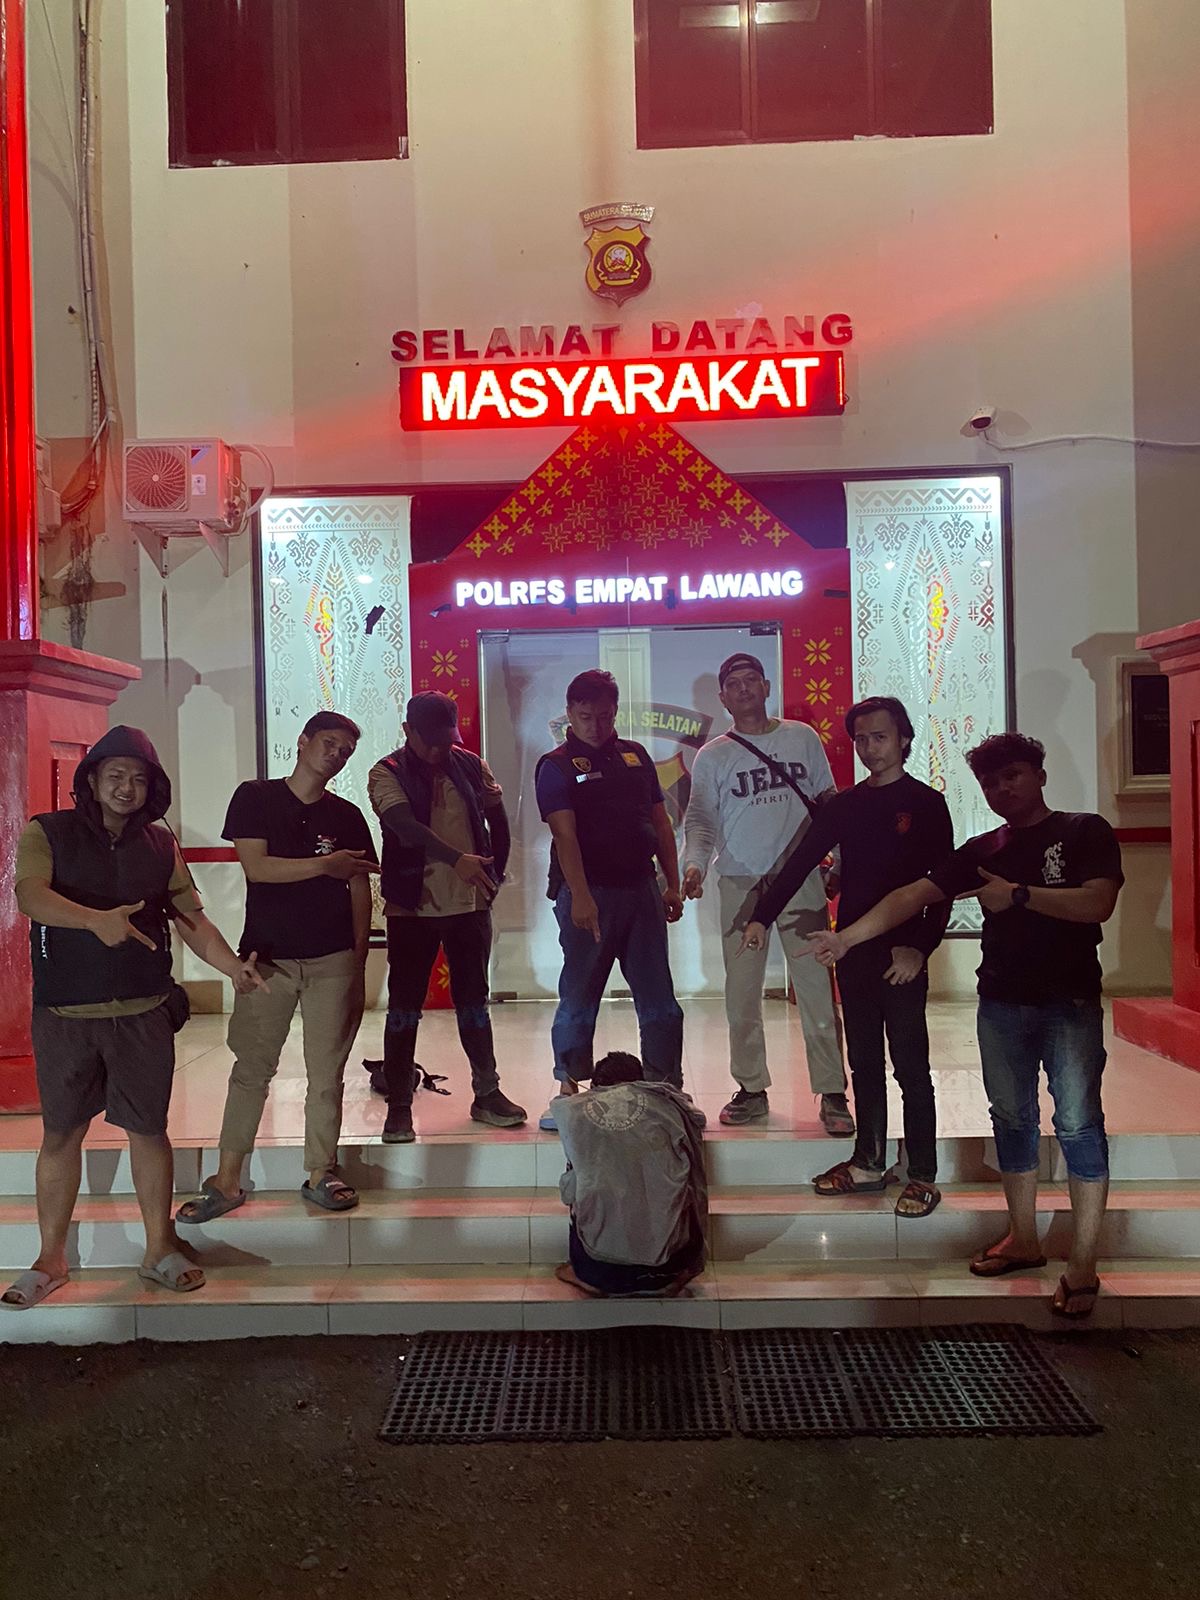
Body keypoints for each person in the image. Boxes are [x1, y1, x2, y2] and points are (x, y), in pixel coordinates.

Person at [804, 732, 1122, 1317]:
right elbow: (912, 895)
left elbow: (1096, 903)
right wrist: (845, 938)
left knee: (1078, 1124)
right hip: (1000, 1002)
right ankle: (1023, 1239)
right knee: (1012, 1118)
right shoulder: (985, 847)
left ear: (1039, 775)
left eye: (1013, 776)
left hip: (1069, 1003)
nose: (1003, 789)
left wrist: (1018, 895)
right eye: (991, 783)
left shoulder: (1084, 830)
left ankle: (1082, 1263)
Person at [3, 726, 263, 1309]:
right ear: (92, 779)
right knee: (60, 1133)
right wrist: (94, 920)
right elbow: (29, 896)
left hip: (144, 1011)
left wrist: (231, 968)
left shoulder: (160, 844)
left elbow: (192, 918)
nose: (127, 788)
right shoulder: (49, 832)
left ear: (153, 788)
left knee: (148, 1130)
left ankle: (158, 1249)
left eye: (139, 779)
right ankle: (50, 1259)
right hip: (66, 1013)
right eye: (115, 776)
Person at [741, 696, 954, 1218]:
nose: (869, 748)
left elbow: (942, 886)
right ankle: (868, 1162)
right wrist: (760, 918)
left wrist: (920, 947)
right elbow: (799, 864)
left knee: (911, 1065)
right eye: (860, 739)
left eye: (880, 737)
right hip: (853, 948)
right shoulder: (845, 805)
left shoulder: (926, 803)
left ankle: (922, 1172)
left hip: (903, 955)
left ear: (904, 739)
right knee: (863, 1062)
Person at [176, 711, 379, 1224]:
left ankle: (321, 1172)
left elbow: (359, 885)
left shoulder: (347, 815)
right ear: (302, 741)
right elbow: (258, 867)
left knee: (327, 1073)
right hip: (266, 960)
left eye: (346, 751)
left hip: (333, 959)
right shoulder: (256, 797)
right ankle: (227, 1179)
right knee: (251, 1070)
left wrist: (358, 957)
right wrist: (325, 865)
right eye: (329, 743)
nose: (336, 755)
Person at [682, 650, 852, 1132]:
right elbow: (701, 819)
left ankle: (833, 1091)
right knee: (741, 995)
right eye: (733, 683)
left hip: (801, 881)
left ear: (766, 687)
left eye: (751, 679)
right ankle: (751, 1087)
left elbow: (828, 804)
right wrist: (694, 865)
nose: (743, 688)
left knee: (816, 989)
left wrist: (840, 859)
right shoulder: (714, 755)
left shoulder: (801, 738)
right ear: (723, 698)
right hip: (741, 882)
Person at [368, 690, 526, 1142]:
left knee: (474, 1002)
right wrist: (457, 859)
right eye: (431, 740)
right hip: (411, 907)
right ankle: (399, 1104)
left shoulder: (472, 765)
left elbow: (498, 820)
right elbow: (404, 827)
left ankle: (487, 1092)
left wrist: (493, 873)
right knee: (404, 1007)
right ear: (408, 731)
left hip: (469, 906)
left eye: (447, 739)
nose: (440, 749)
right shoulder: (386, 772)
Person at [535, 669, 685, 1131]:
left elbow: (660, 822)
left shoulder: (634, 756)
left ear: (615, 711)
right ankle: (568, 1088)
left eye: (604, 716)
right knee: (580, 992)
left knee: (659, 995)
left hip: (641, 889)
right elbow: (565, 836)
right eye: (585, 717)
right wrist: (581, 897)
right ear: (570, 712)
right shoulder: (556, 765)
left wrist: (672, 882)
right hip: (589, 894)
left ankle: (666, 1088)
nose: (596, 726)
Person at [552, 1051, 707, 1298]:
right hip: (668, 1269)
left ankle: (585, 1276)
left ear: (594, 1086)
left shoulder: (575, 1112)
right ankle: (667, 1279)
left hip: (599, 1271)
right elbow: (698, 1120)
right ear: (642, 1082)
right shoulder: (667, 1105)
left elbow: (567, 1194)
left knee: (577, 1177)